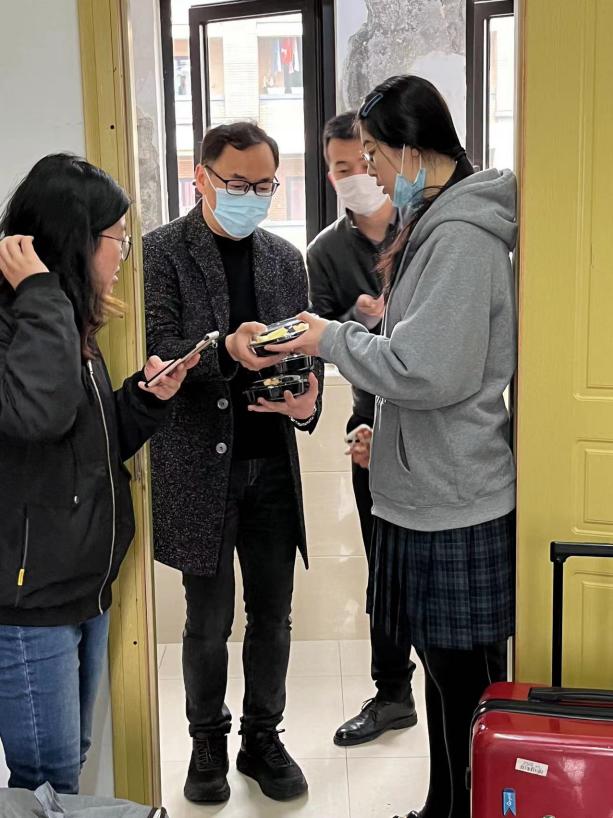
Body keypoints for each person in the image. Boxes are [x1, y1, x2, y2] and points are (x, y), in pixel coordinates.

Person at [232, 75, 517, 818]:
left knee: (464, 686)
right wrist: (378, 422)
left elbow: (430, 370)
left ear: (411, 150)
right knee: (447, 679)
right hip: (431, 484)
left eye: (375, 159)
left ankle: (460, 810)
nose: (372, 176)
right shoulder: (436, 223)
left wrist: (331, 338)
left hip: (455, 495)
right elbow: (423, 354)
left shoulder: (461, 238)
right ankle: (442, 806)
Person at [0, 154, 195, 794]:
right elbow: (41, 416)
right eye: (117, 240)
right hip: (28, 605)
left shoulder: (61, 320)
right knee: (45, 779)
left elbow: (87, 449)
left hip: (81, 588)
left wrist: (143, 399)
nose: (122, 256)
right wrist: (40, 296)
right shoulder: (28, 320)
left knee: (69, 760)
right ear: (75, 241)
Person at [143, 122, 323, 805]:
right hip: (198, 468)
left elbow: (302, 350)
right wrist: (224, 348)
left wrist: (305, 400)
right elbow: (160, 347)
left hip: (269, 463)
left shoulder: (284, 259)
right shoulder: (162, 251)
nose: (252, 196)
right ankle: (206, 743)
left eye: (265, 185)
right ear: (201, 177)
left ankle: (262, 738)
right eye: (238, 184)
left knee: (273, 616)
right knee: (207, 621)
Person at [307, 112, 418, 747]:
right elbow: (318, 341)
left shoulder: (426, 225)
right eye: (341, 168)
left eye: (363, 162)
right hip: (371, 423)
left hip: (436, 424)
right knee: (385, 564)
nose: (355, 176)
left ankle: (464, 692)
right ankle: (393, 692)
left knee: (437, 568)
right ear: (329, 175)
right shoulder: (325, 252)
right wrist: (356, 318)